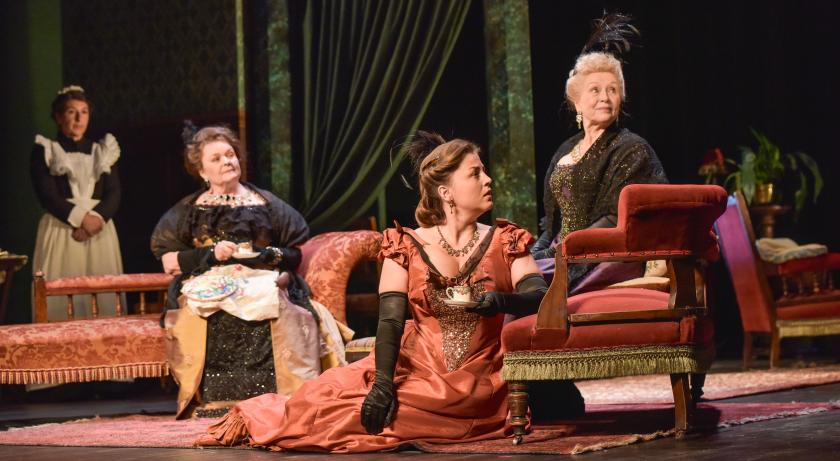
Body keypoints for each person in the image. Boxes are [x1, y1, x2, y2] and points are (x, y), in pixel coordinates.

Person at [197, 132, 549, 451]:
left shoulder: (505, 240)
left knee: (370, 425)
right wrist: (383, 384)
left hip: (480, 377)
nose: (488, 180)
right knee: (325, 407)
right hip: (417, 364)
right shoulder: (404, 244)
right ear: (446, 192)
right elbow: (391, 321)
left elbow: (537, 294)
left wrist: (499, 301)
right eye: (475, 173)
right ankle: (258, 418)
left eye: (484, 172)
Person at [150, 125, 349, 419]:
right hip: (210, 281)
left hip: (262, 278)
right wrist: (210, 254)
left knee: (276, 305)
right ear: (202, 171)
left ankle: (285, 398)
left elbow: (296, 250)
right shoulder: (189, 210)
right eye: (216, 159)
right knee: (201, 310)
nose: (227, 162)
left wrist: (270, 255)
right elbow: (168, 259)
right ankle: (216, 401)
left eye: (230, 155)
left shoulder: (265, 203)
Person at [531, 14, 668, 293]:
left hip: (608, 256)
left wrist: (561, 255)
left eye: (613, 90)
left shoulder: (631, 149)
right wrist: (534, 255)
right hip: (565, 253)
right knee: (517, 276)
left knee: (532, 288)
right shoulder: (564, 151)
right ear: (576, 101)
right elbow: (550, 224)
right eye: (595, 90)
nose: (605, 97)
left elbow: (613, 220)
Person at [31, 85, 124, 320]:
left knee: (101, 292)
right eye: (72, 112)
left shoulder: (102, 151)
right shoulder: (46, 149)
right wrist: (82, 219)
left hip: (99, 229)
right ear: (59, 117)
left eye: (84, 112)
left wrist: (96, 220)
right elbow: (47, 195)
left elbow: (114, 192)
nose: (79, 117)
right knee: (62, 288)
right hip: (63, 228)